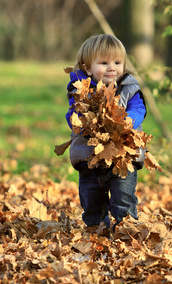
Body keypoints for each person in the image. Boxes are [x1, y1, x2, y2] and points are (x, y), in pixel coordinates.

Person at [65, 34, 147, 231]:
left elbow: (139, 109)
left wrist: (128, 120)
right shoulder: (81, 90)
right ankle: (97, 231)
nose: (112, 67)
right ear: (87, 67)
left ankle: (126, 230)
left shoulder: (129, 88)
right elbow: (73, 113)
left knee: (123, 198)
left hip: (122, 157)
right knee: (91, 202)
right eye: (104, 62)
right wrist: (81, 121)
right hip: (89, 158)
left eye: (117, 62)